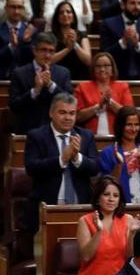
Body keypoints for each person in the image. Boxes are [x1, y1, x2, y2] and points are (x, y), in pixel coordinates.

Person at [23, 93, 99, 231]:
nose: (68, 118)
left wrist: (77, 158)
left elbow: (95, 168)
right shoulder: (36, 136)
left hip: (80, 205)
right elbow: (31, 168)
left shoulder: (86, 136)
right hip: (47, 206)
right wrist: (61, 159)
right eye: (62, 112)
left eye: (72, 113)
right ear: (51, 113)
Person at [73, 176, 140, 275]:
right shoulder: (85, 221)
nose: (111, 199)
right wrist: (99, 231)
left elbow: (129, 257)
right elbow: (86, 256)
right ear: (98, 198)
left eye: (116, 195)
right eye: (106, 194)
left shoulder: (128, 220)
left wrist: (132, 234)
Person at [9, 33, 74, 134]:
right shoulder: (19, 73)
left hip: (56, 132)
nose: (48, 55)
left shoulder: (63, 73)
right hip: (28, 131)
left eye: (51, 51)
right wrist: (35, 91)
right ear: (34, 50)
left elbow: (69, 101)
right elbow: (14, 106)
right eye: (44, 50)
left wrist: (51, 85)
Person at [99, 106, 140, 203]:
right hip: (120, 206)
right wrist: (119, 164)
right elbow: (108, 187)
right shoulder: (108, 152)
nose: (134, 129)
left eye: (137, 124)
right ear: (120, 126)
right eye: (129, 125)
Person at [101, 0, 140, 80]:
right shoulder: (108, 24)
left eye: (139, 3)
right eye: (132, 3)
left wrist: (138, 45)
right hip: (117, 77)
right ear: (122, 5)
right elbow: (104, 54)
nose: (137, 7)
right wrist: (123, 42)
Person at [74, 52, 133, 136]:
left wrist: (110, 102)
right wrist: (98, 107)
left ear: (112, 69)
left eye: (106, 66)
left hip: (117, 137)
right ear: (93, 69)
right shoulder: (82, 87)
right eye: (98, 66)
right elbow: (77, 117)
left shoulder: (123, 87)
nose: (102, 69)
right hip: (89, 137)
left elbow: (130, 115)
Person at [46, 0, 91, 80]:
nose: (65, 14)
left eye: (68, 12)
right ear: (57, 17)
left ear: (73, 17)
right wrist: (67, 49)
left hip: (79, 77)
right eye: (61, 12)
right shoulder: (50, 36)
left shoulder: (82, 34)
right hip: (57, 77)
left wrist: (75, 45)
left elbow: (88, 60)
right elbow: (48, 60)